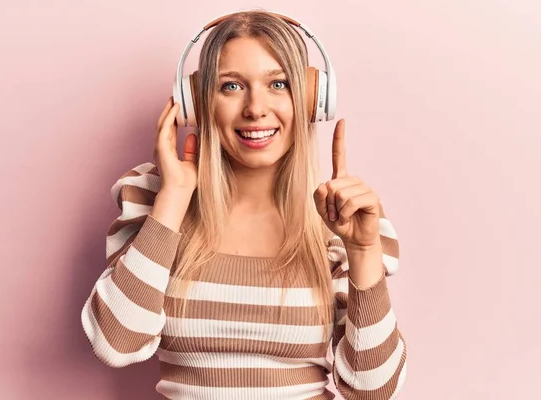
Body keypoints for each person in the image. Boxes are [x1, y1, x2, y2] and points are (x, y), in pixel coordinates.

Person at [81, 10, 407, 400]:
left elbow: (374, 390)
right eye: (232, 86)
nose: (255, 108)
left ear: (311, 100)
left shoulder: (338, 220)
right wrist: (173, 199)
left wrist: (363, 251)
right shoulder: (155, 197)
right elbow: (116, 343)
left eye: (279, 84)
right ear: (196, 103)